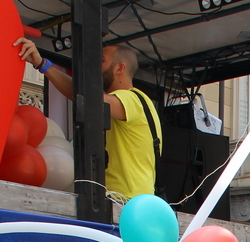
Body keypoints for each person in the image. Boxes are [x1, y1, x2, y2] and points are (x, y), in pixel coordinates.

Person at [15, 39, 161, 200]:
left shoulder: (131, 98)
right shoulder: (134, 100)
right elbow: (83, 97)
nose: (95, 67)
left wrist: (43, 64)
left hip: (125, 201)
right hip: (128, 200)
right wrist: (42, 64)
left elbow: (89, 100)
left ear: (120, 68)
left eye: (102, 61)